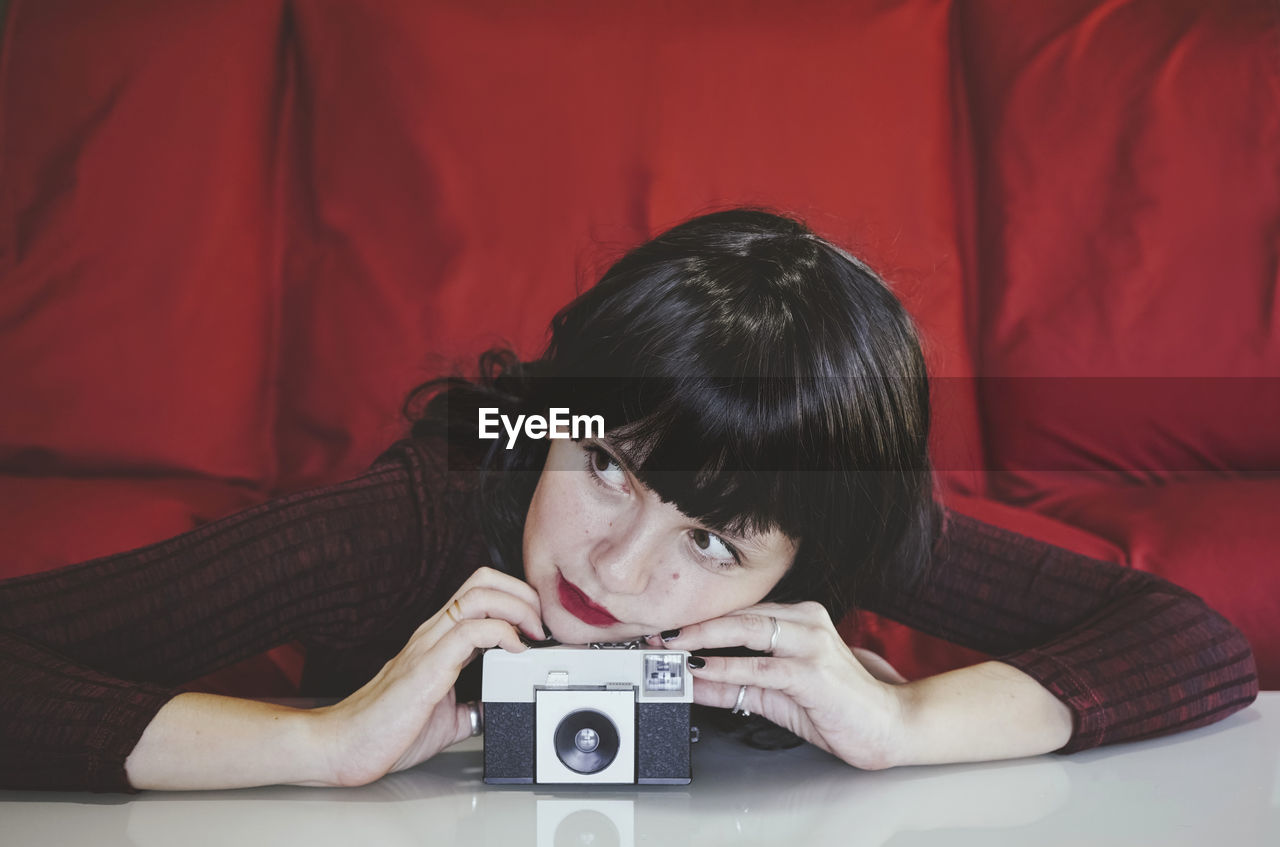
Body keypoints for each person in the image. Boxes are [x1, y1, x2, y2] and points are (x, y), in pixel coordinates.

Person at [0, 208, 1258, 793]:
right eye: (605, 463)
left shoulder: (827, 523)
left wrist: (908, 723)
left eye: (709, 539)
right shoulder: (422, 519)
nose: (619, 562)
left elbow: (1187, 639)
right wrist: (316, 742)